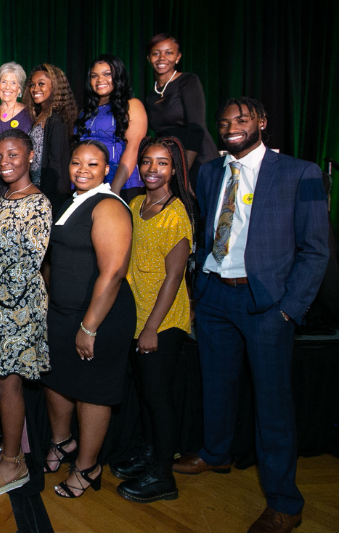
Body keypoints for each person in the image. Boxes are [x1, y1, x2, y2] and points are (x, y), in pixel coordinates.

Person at [174, 98, 328, 533]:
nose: (231, 127)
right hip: (216, 297)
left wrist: (290, 310)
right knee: (216, 385)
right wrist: (201, 290)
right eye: (224, 122)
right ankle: (215, 453)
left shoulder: (302, 173)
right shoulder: (208, 172)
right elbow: (208, 229)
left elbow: (316, 250)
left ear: (262, 122)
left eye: (241, 120)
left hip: (267, 305)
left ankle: (285, 502)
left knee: (272, 404)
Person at [40, 140, 135, 499]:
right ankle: (62, 443)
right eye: (77, 162)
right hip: (64, 313)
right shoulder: (72, 202)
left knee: (93, 390)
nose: (82, 169)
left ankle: (87, 466)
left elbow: (112, 273)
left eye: (92, 164)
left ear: (105, 170)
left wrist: (89, 326)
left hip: (99, 318)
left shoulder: (108, 206)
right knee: (57, 379)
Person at [0, 129, 52, 497]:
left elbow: (25, 268)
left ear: (31, 156)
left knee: (9, 383)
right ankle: (7, 454)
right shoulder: (2, 200)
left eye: (13, 155)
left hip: (17, 310)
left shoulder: (39, 204)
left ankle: (14, 463)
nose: (4, 163)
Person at [114, 137, 194, 503]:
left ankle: (164, 475)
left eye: (161, 163)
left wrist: (150, 328)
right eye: (146, 162)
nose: (152, 170)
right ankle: (150, 455)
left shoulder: (176, 214)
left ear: (174, 169)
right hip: (137, 314)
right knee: (146, 393)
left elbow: (174, 278)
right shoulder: (135, 204)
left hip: (162, 322)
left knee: (159, 397)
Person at [144, 34, 217, 193]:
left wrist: (182, 172)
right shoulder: (150, 95)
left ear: (178, 57)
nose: (162, 58)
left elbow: (196, 129)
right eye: (156, 53)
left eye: (169, 53)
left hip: (196, 159)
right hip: (171, 162)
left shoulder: (188, 81)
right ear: (149, 58)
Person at [75, 54, 148, 203]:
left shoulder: (132, 105)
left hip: (123, 186)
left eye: (107, 74)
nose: (100, 80)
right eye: (94, 76)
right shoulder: (86, 112)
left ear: (118, 76)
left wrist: (114, 190)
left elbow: (133, 149)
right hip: (89, 184)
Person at [22, 63, 78, 214]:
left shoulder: (55, 120)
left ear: (55, 86)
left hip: (50, 195)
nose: (35, 89)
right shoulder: (41, 116)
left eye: (41, 84)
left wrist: (42, 196)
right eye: (32, 85)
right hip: (38, 190)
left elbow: (55, 164)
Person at [0, 62, 33, 202]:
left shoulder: (29, 114)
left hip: (17, 179)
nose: (7, 87)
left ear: (20, 89)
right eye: (3, 81)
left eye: (13, 83)